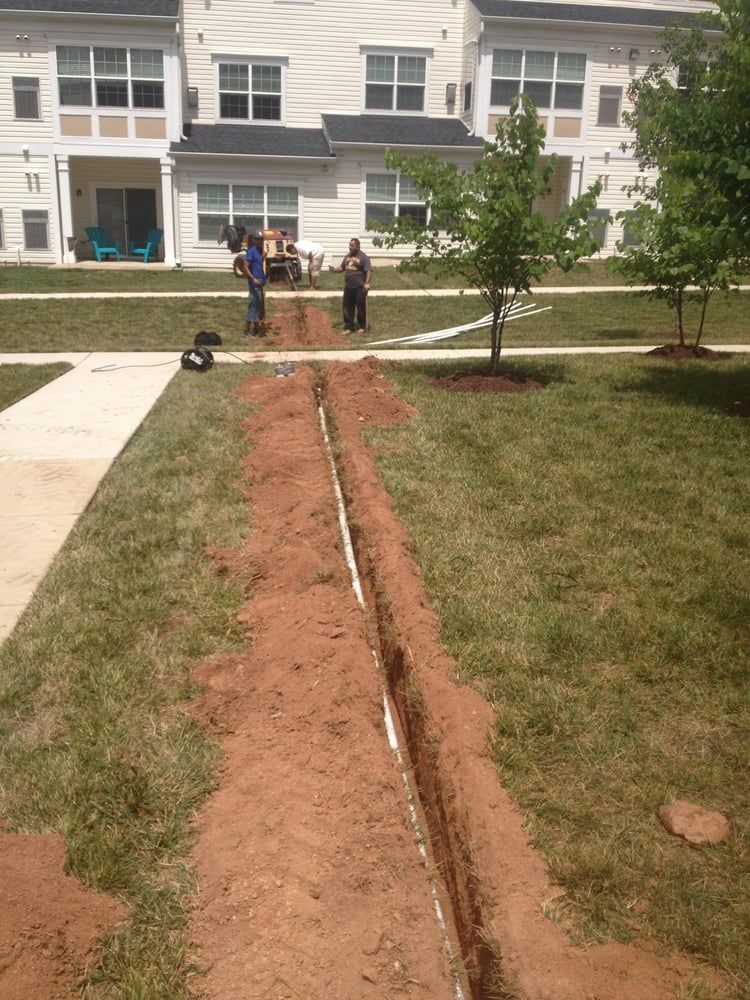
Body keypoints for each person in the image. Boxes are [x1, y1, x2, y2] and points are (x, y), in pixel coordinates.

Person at [329, 237, 372, 333]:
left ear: (357, 246)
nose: (350, 247)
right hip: (348, 287)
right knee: (347, 307)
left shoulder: (363, 257)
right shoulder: (347, 256)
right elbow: (342, 268)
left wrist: (367, 283)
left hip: (359, 287)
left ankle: (363, 326)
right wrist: (334, 270)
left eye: (352, 246)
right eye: (349, 245)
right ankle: (349, 327)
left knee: (361, 307)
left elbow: (368, 270)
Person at [242, 231, 267, 337]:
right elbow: (245, 266)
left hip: (260, 284)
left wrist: (263, 258)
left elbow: (257, 264)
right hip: (254, 284)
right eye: (257, 239)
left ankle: (256, 329)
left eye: (261, 240)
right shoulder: (251, 251)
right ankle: (247, 331)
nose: (259, 241)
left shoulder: (259, 251)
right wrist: (253, 278)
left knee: (259, 306)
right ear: (254, 240)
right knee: (253, 306)